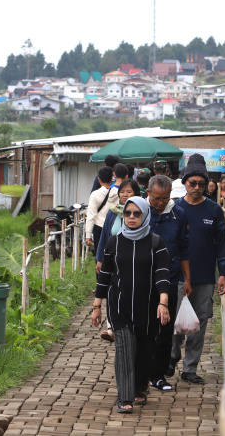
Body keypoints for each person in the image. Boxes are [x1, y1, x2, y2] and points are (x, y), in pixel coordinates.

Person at [91, 197, 171, 413]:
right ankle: (124, 397)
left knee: (145, 348)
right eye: (128, 213)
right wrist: (97, 306)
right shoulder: (113, 242)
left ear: (145, 215)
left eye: (137, 213)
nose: (132, 217)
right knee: (124, 349)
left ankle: (139, 387)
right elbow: (105, 275)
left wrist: (163, 302)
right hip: (120, 305)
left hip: (148, 306)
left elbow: (163, 275)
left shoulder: (156, 242)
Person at [171, 154, 225, 385]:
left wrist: (223, 273)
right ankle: (171, 357)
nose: (196, 187)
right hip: (177, 277)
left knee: (198, 323)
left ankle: (190, 368)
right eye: (192, 183)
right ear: (184, 183)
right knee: (175, 322)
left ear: (207, 186)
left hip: (205, 276)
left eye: (201, 184)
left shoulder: (213, 211)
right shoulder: (175, 208)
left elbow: (221, 244)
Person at [145, 175, 191, 391]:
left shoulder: (178, 214)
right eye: (156, 198)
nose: (161, 202)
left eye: (165, 198)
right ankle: (140, 370)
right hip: (143, 278)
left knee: (165, 329)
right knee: (144, 328)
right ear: (148, 193)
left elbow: (183, 247)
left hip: (170, 278)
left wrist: (187, 278)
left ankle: (158, 374)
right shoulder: (140, 211)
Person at [95, 178, 142, 341]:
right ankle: (112, 327)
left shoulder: (142, 211)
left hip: (134, 260)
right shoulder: (112, 211)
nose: (125, 194)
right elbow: (104, 237)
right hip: (112, 260)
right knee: (111, 291)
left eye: (129, 191)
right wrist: (100, 259)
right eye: (122, 191)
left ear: (136, 193)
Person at [85, 166, 117, 254]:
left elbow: (91, 215)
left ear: (99, 179)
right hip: (114, 228)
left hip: (99, 228)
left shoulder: (95, 195)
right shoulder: (117, 193)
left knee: (100, 255)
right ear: (111, 179)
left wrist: (88, 235)